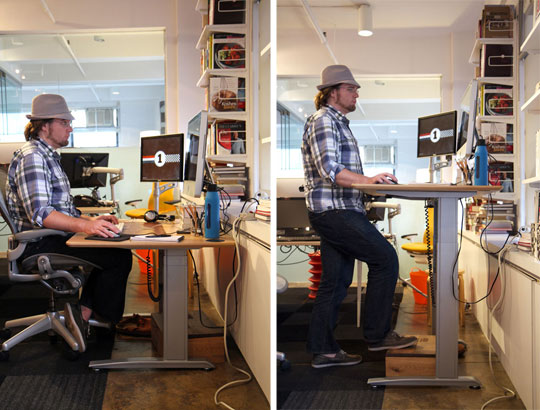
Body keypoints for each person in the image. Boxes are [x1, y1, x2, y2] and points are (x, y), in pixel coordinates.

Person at [302, 65, 417, 368]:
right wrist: (367, 181)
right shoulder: (324, 121)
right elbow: (331, 169)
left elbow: (341, 172)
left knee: (335, 282)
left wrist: (368, 181)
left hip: (338, 209)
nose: (356, 94)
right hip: (334, 212)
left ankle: (323, 350)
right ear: (332, 92)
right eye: (351, 88)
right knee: (385, 259)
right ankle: (378, 335)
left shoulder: (338, 123)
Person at [6, 94, 132, 353]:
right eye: (64, 122)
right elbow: (41, 213)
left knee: (112, 250)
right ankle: (99, 321)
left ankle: (83, 314)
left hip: (52, 236)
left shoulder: (49, 156)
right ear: (44, 125)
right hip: (38, 243)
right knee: (118, 257)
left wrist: (91, 221)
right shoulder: (33, 157)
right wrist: (86, 228)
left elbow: (64, 210)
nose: (70, 127)